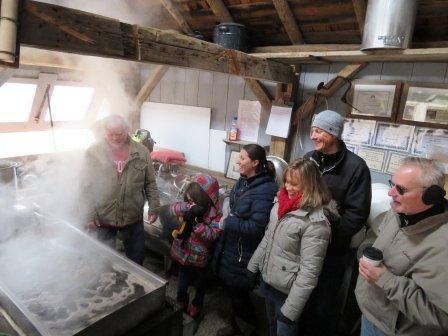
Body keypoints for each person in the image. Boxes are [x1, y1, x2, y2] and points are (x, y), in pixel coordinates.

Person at [355, 157, 448, 336]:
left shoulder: (442, 244)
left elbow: (440, 317)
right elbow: (375, 234)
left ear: (431, 196)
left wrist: (386, 280)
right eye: (392, 183)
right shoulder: (399, 210)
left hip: (391, 330)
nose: (390, 193)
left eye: (401, 189)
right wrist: (364, 252)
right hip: (370, 313)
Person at [301, 109, 372, 335]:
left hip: (332, 251)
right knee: (301, 297)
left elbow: (356, 215)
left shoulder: (356, 168)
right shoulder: (308, 160)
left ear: (334, 133)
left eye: (319, 131)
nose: (313, 136)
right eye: (312, 130)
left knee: (324, 304)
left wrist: (327, 236)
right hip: (302, 244)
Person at [247, 158, 337, 336]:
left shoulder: (315, 223)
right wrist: (253, 266)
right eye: (286, 181)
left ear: (310, 185)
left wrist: (291, 309)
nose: (287, 187)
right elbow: (268, 238)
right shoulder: (280, 205)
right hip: (269, 280)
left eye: (294, 183)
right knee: (271, 327)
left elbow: (309, 272)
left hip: (287, 293)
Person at [215, 144, 278, 336]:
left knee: (240, 296)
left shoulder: (266, 190)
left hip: (244, 255)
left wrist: (228, 221)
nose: (237, 161)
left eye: (242, 158)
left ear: (255, 163)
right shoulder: (243, 181)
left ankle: (247, 331)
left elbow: (255, 228)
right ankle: (237, 327)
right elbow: (235, 204)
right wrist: (227, 202)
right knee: (234, 295)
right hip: (230, 249)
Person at [81, 114, 160, 265]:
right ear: (104, 132)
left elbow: (150, 182)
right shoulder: (93, 153)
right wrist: (89, 215)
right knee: (102, 260)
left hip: (132, 216)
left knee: (137, 259)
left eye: (119, 133)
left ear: (127, 130)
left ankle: (136, 286)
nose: (115, 138)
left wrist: (154, 207)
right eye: (111, 134)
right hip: (103, 216)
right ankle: (106, 285)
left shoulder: (142, 152)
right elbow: (85, 186)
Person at [169, 174, 221, 321]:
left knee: (200, 283)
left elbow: (212, 235)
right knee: (182, 279)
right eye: (189, 196)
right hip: (183, 253)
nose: (190, 199)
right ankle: (181, 300)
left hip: (200, 258)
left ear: (205, 197)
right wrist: (187, 208)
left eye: (193, 197)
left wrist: (197, 223)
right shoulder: (189, 204)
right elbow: (174, 208)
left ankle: (197, 303)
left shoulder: (215, 214)